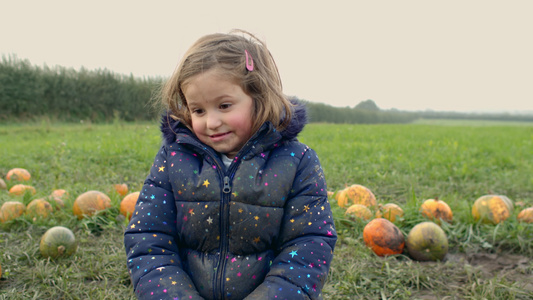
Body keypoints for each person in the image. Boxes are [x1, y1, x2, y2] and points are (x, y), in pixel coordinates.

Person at [124, 29, 337, 300]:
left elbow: (309, 244)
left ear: (259, 98)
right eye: (198, 110)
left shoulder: (297, 163)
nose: (211, 122)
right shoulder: (173, 160)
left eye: (224, 106)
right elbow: (148, 238)